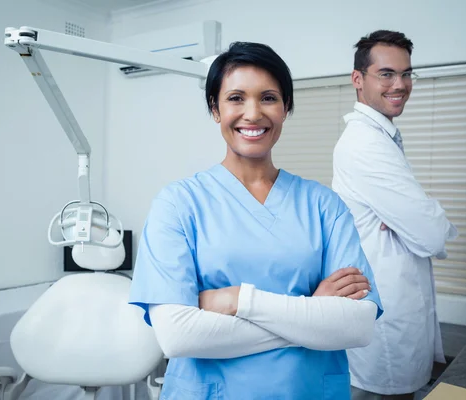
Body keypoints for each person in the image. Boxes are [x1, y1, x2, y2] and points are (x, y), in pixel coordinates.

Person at [129, 41, 384, 400]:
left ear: (285, 108)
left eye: (268, 98)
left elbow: (356, 326)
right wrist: (311, 311)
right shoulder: (178, 204)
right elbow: (177, 334)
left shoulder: (324, 206)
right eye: (236, 98)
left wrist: (239, 300)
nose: (252, 113)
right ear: (215, 109)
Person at [332, 30, 459, 400]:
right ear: (358, 80)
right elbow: (432, 233)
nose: (400, 84)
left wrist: (415, 219)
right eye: (386, 73)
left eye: (406, 74)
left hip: (395, 299)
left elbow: (421, 224)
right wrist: (422, 220)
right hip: (384, 308)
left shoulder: (382, 137)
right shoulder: (365, 144)